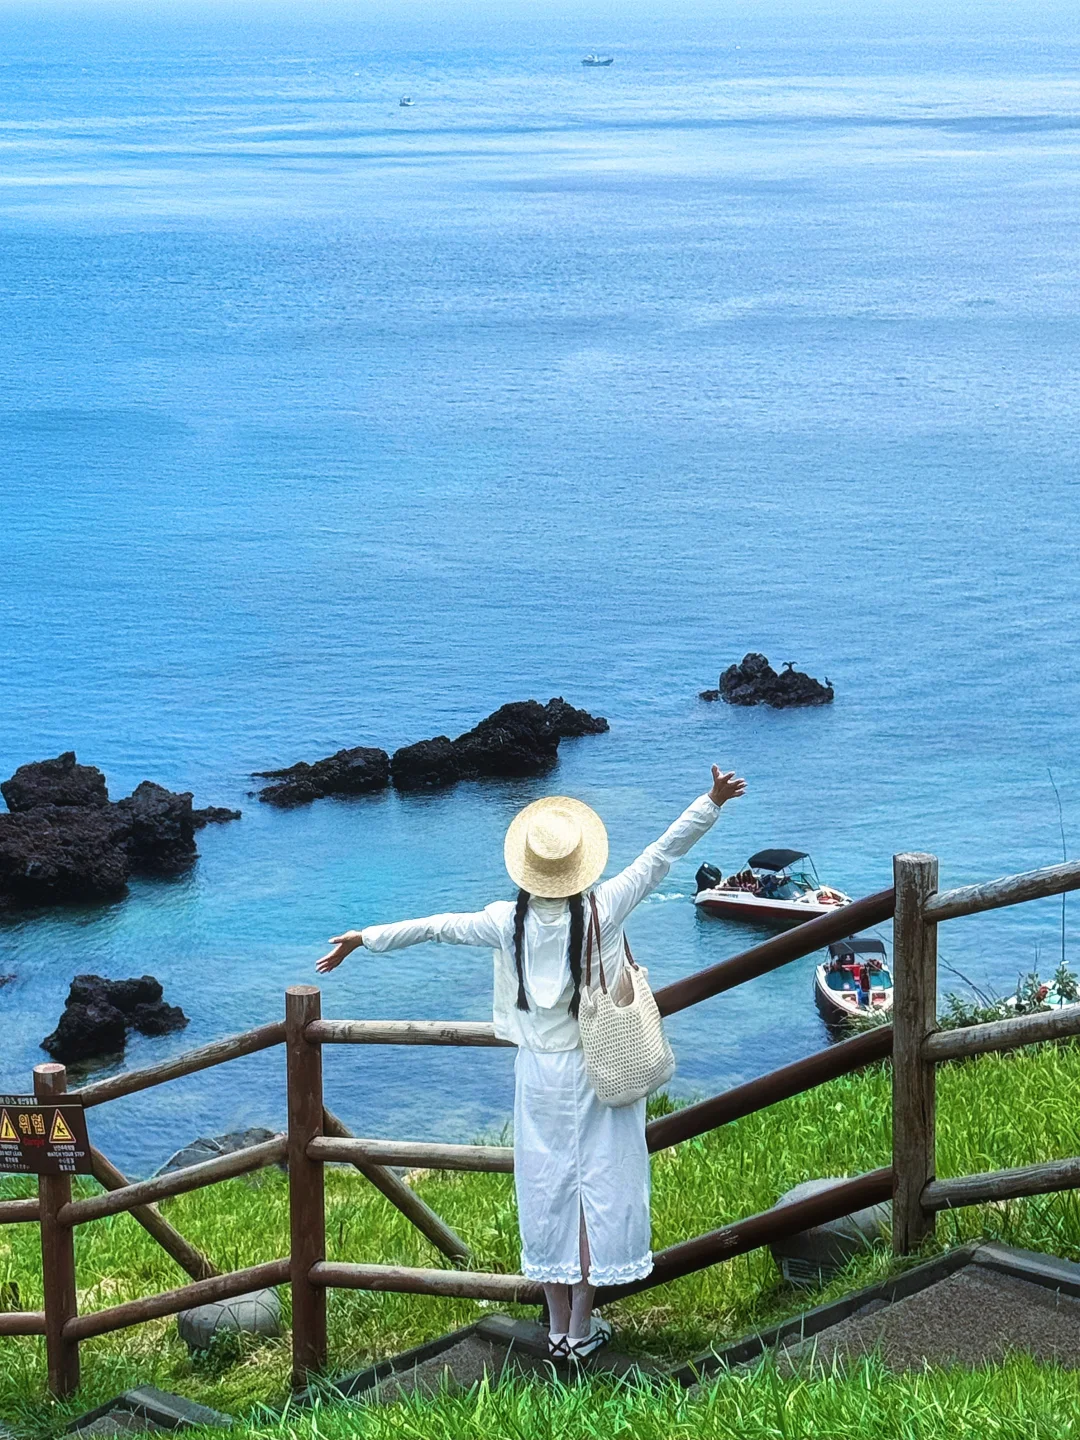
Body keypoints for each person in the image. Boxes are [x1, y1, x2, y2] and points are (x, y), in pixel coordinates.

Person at [315, 763, 746, 1359]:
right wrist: (712, 801)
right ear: (579, 865)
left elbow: (437, 927)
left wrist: (365, 936)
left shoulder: (505, 921)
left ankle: (557, 1327)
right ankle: (582, 1327)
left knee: (546, 1190)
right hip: (598, 1068)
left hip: (538, 1075)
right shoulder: (604, 908)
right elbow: (659, 857)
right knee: (601, 1185)